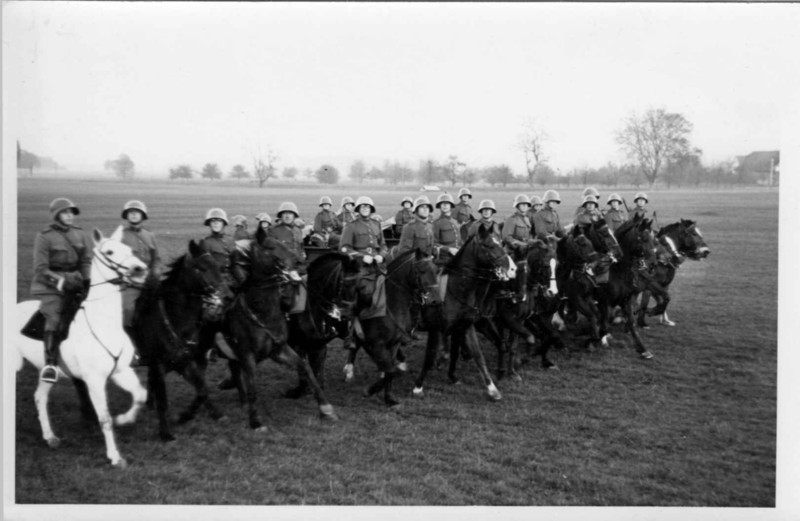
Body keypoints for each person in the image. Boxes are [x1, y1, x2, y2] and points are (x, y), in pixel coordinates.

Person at [31, 198, 92, 383]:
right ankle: (50, 364)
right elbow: (40, 269)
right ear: (57, 214)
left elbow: (85, 260)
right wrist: (61, 283)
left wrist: (87, 280)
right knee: (55, 317)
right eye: (66, 212)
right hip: (51, 285)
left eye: (72, 213)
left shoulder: (81, 234)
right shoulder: (44, 236)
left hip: (76, 281)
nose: (70, 216)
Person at [340, 196, 388, 350]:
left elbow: (383, 245)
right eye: (362, 206)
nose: (365, 208)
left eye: (368, 206)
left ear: (371, 209)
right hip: (359, 267)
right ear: (358, 209)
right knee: (361, 295)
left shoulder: (376, 224)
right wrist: (361, 256)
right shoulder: (351, 226)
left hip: (377, 266)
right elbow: (344, 248)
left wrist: (382, 254)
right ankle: (351, 334)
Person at [119, 200, 163, 364]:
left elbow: (156, 260)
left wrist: (155, 274)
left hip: (148, 284)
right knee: (128, 310)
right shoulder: (121, 236)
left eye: (137, 212)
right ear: (126, 216)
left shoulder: (149, 235)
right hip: (129, 285)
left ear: (143, 215)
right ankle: (131, 350)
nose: (134, 214)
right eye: (130, 212)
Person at [267, 202, 308, 275]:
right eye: (285, 213)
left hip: (298, 268)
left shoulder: (298, 230)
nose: (287, 216)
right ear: (281, 216)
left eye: (290, 213)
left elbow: (301, 249)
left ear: (294, 216)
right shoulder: (273, 230)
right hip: (281, 269)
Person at [432, 193, 461, 265]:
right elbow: (433, 244)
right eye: (442, 204)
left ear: (451, 206)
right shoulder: (436, 223)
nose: (445, 205)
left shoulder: (455, 221)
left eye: (447, 203)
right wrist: (448, 249)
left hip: (458, 256)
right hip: (444, 259)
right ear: (439, 206)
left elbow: (460, 241)